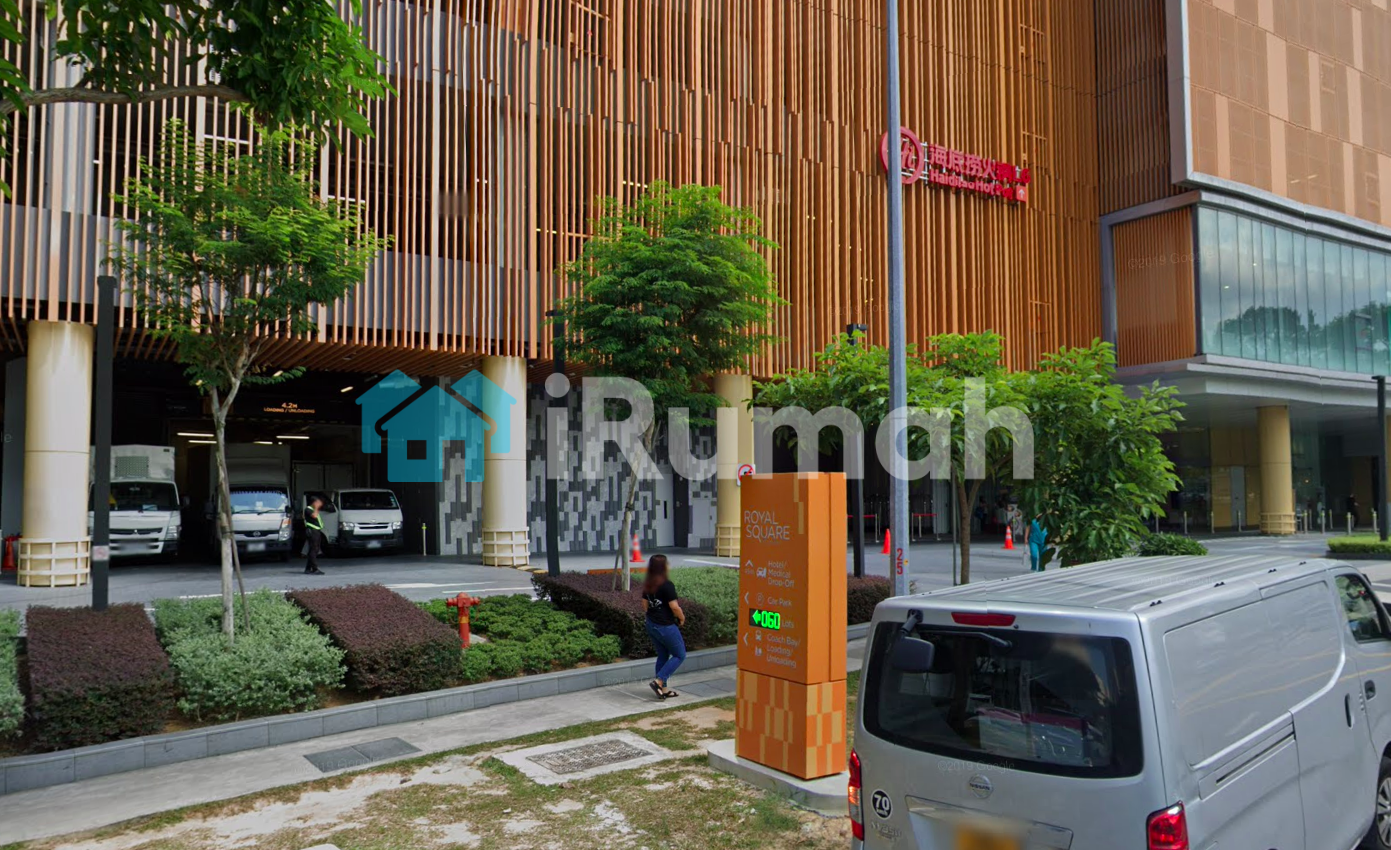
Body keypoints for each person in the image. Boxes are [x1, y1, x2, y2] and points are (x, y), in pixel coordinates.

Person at [642, 553, 686, 699]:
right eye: (667, 563)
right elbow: (674, 607)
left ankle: (663, 689)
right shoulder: (667, 585)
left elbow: (645, 605)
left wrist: (654, 615)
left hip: (651, 624)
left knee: (663, 655)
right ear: (663, 567)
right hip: (665, 626)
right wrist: (682, 618)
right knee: (680, 655)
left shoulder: (648, 584)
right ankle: (659, 681)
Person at [303, 496, 325, 575]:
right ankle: (315, 569)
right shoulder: (308, 509)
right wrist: (316, 507)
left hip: (316, 531)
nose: (319, 504)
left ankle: (308, 568)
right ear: (313, 503)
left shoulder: (313, 509)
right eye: (317, 502)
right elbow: (314, 516)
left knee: (315, 549)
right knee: (313, 549)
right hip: (312, 531)